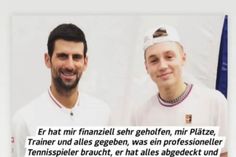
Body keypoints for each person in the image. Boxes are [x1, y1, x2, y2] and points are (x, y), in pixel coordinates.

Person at [12, 23, 110, 157]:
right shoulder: (24, 120)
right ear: (48, 60)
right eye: (62, 56)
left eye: (76, 57)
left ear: (85, 62)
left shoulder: (103, 113)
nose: (70, 65)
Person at [132, 25, 228, 157]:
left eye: (169, 57)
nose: (163, 66)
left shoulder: (214, 102)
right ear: (146, 67)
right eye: (154, 60)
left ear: (183, 58)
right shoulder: (140, 115)